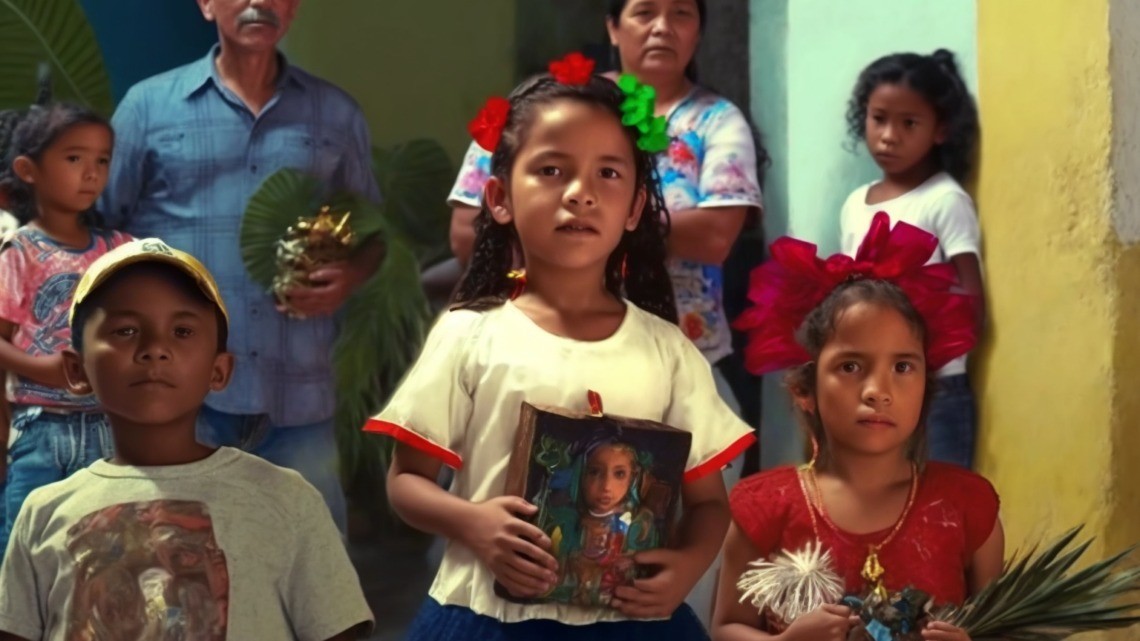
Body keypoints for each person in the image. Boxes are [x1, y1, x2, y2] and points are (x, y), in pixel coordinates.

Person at [369, 69, 754, 640]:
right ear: (498, 198)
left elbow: (709, 506)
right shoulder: (470, 334)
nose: (581, 192)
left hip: (632, 623)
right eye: (551, 170)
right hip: (487, 619)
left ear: (634, 207)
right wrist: (473, 523)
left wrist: (685, 569)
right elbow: (405, 483)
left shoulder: (669, 350)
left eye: (608, 172)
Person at [99, 0, 384, 533]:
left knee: (316, 576)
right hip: (178, 391)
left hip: (298, 391)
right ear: (206, 4)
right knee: (177, 573)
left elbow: (371, 235)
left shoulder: (335, 113)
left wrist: (349, 274)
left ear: (294, 8)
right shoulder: (147, 107)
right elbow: (102, 230)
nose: (259, 4)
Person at [0, 239, 373, 640]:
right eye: (125, 330)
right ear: (77, 370)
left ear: (219, 370)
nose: (155, 348)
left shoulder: (287, 500)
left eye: (182, 331)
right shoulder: (44, 512)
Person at [714, 213, 1003, 641]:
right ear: (804, 388)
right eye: (850, 366)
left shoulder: (967, 508)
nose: (877, 391)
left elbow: (1004, 628)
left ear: (927, 383)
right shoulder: (765, 508)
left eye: (903, 366)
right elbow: (725, 628)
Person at [838, 49, 983, 469]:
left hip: (936, 389)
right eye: (878, 118)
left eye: (909, 123)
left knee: (936, 510)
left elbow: (972, 307)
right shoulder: (855, 204)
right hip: (866, 391)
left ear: (940, 130)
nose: (888, 136)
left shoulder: (944, 200)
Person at [0, 103, 132, 560]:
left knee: (108, 562)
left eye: (102, 160)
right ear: (28, 169)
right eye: (74, 159)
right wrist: (42, 368)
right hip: (40, 432)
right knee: (26, 556)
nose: (91, 173)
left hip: (112, 431)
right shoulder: (19, 252)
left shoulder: (121, 249)